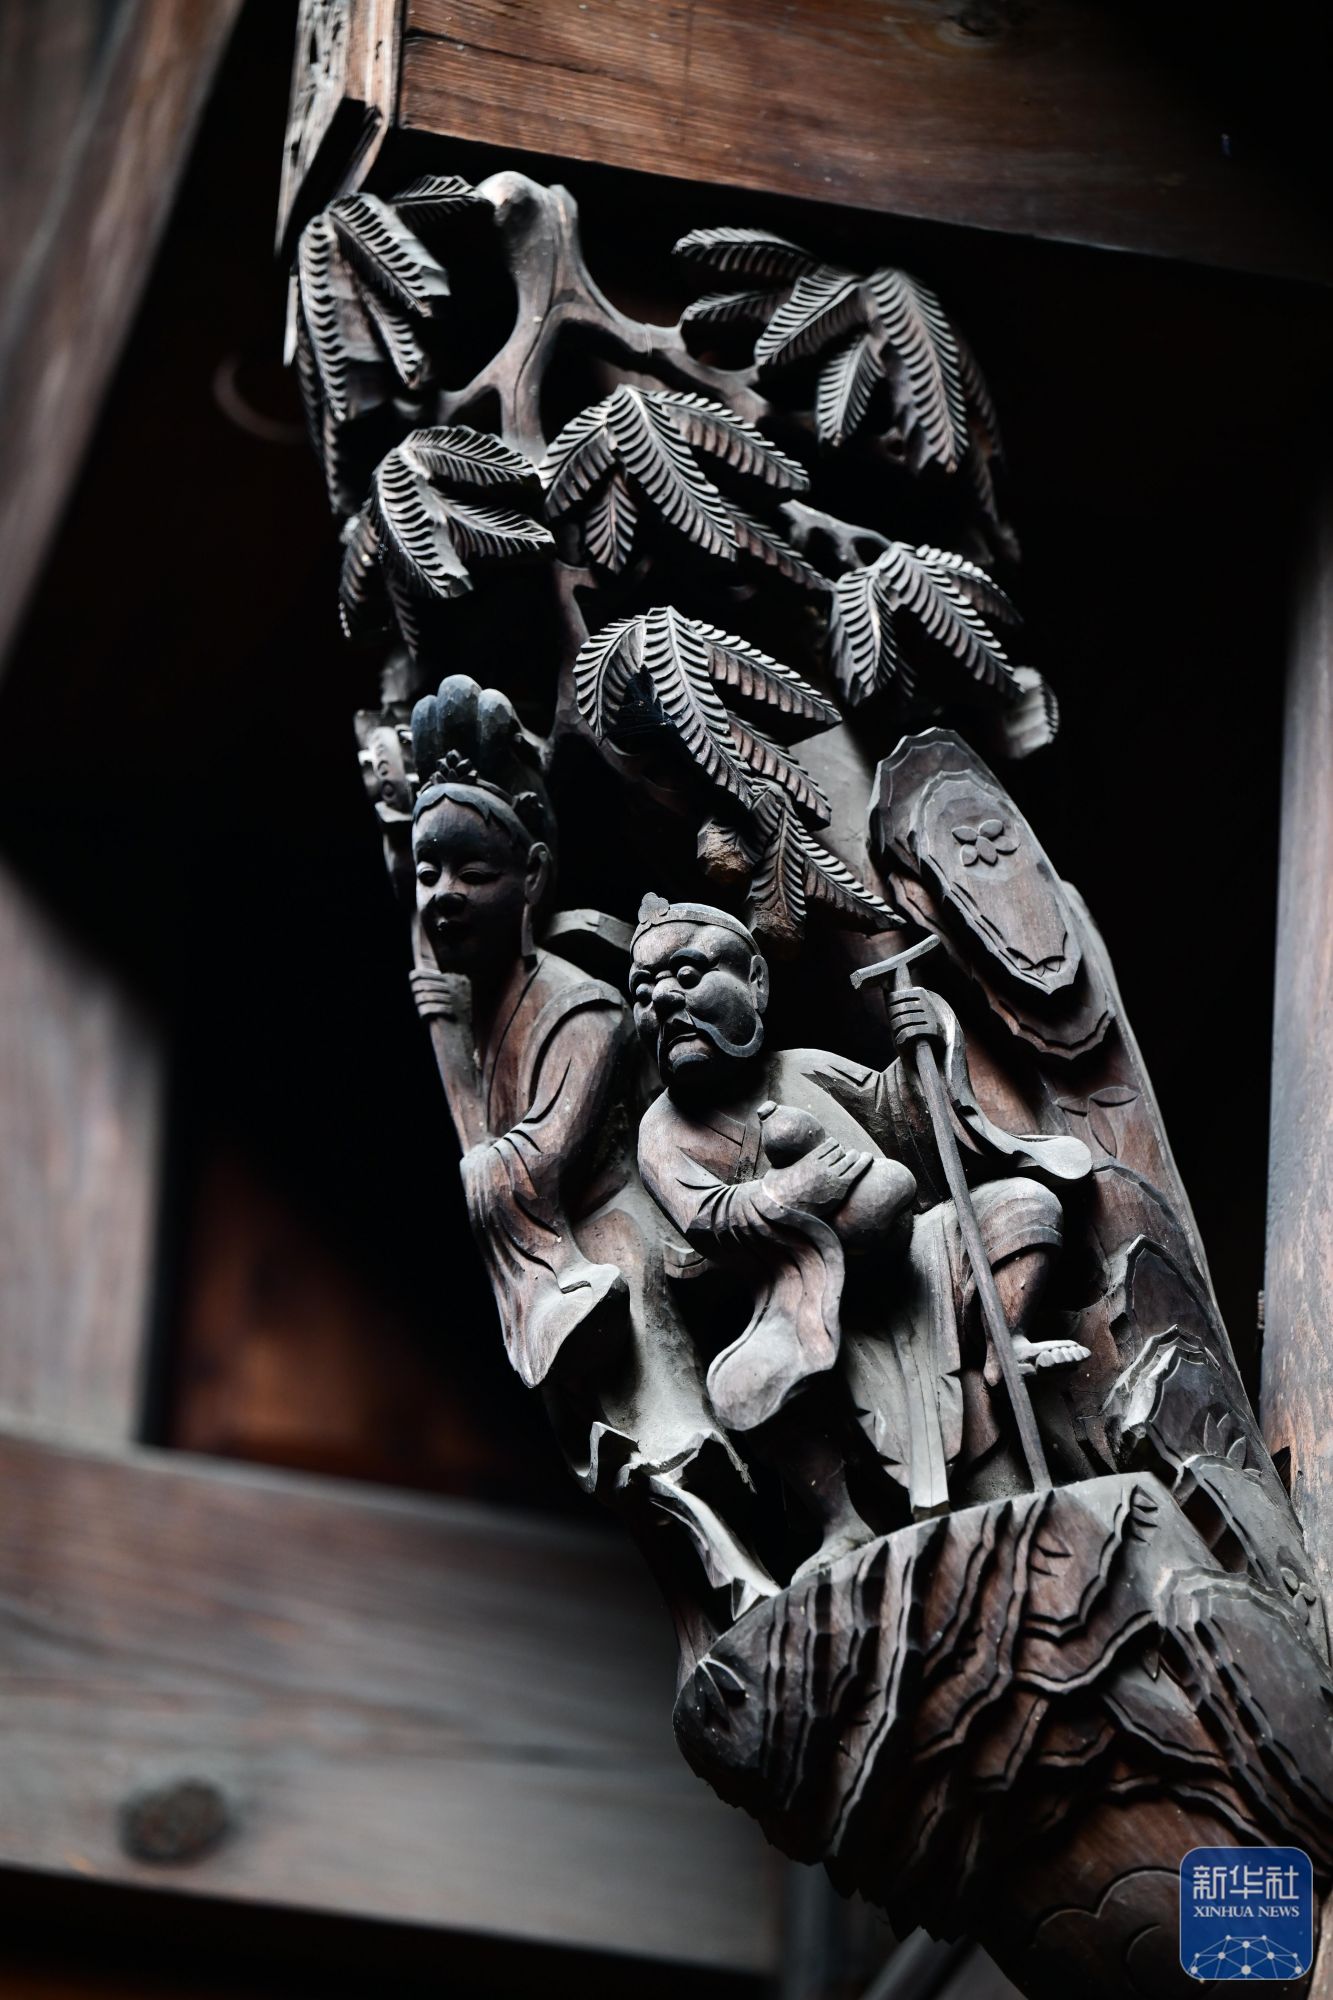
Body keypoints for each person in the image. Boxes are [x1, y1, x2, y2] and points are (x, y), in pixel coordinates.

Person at [408, 680, 775, 1642]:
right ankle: (706, 1605)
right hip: (555, 1253)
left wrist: (453, 1067)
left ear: (532, 877)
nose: (442, 896)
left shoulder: (583, 1009)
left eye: (472, 872)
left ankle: (741, 1567)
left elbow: (528, 1169)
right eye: (426, 873)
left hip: (620, 1235)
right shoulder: (481, 1013)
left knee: (654, 1428)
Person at [631, 895, 1091, 1559]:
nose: (664, 1002)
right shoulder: (663, 1132)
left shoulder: (803, 1069)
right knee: (748, 1386)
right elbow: (708, 1218)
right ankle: (841, 1521)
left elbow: (896, 1117)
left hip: (918, 1259)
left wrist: (921, 1044)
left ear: (755, 983)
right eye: (643, 993)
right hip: (801, 1294)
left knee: (1022, 1205)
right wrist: (798, 1189)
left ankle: (1005, 1341)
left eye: (686, 975)